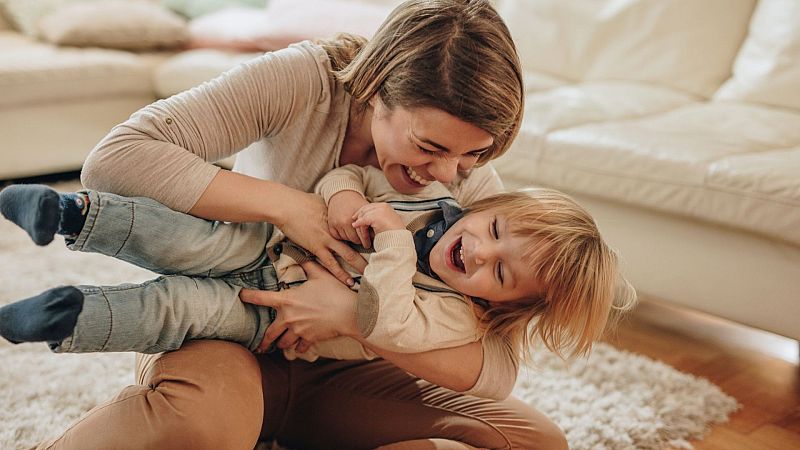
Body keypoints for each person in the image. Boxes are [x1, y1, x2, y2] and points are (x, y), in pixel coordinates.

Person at [6, 0, 580, 447]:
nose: (449, 173)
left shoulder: (465, 188)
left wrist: (355, 319)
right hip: (226, 329)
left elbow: (496, 367)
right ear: (377, 86)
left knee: (533, 440)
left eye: (474, 155)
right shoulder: (305, 79)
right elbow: (115, 160)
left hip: (340, 376)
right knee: (205, 427)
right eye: (429, 146)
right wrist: (287, 206)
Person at [0, 165, 635, 363]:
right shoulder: (430, 202)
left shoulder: (458, 320)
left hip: (274, 320)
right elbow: (347, 174)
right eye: (493, 230)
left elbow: (386, 324)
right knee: (187, 240)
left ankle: (65, 317)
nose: (479, 251)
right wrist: (351, 198)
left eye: (500, 272)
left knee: (179, 309)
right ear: (487, 206)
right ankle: (70, 213)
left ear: (502, 304)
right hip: (265, 247)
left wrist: (389, 245)